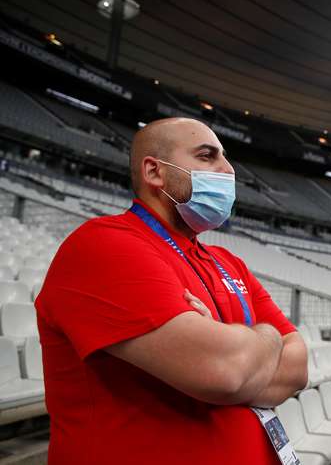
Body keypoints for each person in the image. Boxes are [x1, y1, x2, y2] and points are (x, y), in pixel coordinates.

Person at [35, 118, 308, 464]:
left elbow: (297, 368)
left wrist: (232, 346)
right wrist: (266, 337)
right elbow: (223, 372)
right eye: (207, 156)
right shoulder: (104, 244)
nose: (227, 170)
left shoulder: (228, 262)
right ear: (154, 172)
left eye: (224, 157)